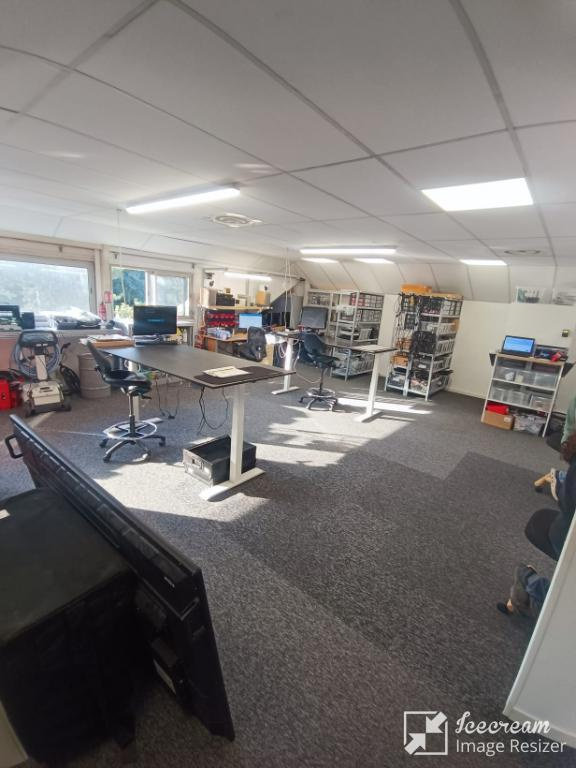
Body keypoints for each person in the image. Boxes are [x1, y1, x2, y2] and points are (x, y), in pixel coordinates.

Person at [498, 433, 576, 616]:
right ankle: (529, 582)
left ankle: (529, 582)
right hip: (567, 535)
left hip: (564, 526)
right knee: (563, 607)